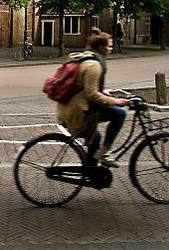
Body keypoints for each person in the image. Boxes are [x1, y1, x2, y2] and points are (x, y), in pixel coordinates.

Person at [56, 29, 131, 168]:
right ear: (101, 48)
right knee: (119, 114)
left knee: (96, 137)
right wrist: (116, 101)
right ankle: (101, 155)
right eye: (109, 46)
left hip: (75, 107)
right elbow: (92, 94)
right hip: (77, 112)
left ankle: (92, 168)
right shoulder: (94, 65)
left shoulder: (88, 57)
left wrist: (104, 91)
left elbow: (85, 87)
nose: (111, 48)